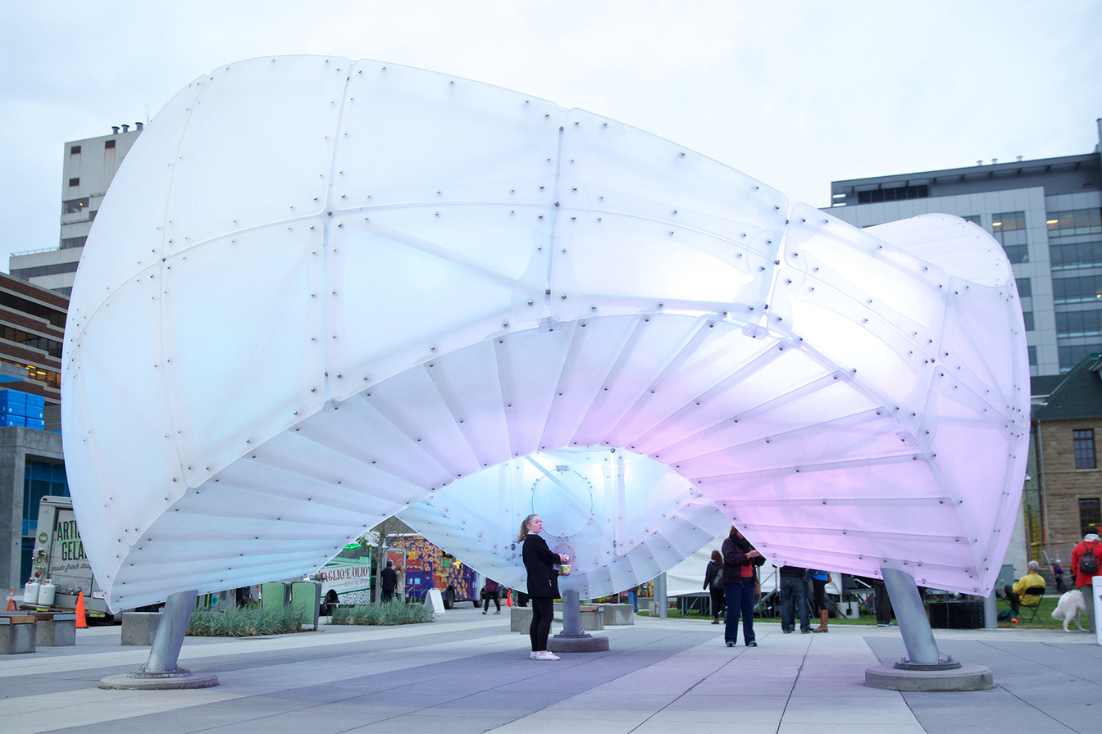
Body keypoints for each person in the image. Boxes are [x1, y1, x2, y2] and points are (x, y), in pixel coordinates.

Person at [520, 514, 568, 661]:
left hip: (535, 584)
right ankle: (542, 651)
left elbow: (539, 565)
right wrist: (560, 557)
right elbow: (547, 557)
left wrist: (556, 572)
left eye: (540, 521)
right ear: (529, 526)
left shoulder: (528, 542)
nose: (540, 524)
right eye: (536, 522)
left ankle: (535, 650)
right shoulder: (536, 540)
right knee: (546, 616)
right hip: (543, 585)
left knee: (538, 616)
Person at [721, 526, 765, 647]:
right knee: (733, 610)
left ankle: (750, 638)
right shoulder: (728, 542)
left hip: (749, 580)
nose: (742, 534)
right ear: (734, 531)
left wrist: (761, 556)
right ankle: (730, 638)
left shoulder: (749, 543)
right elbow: (730, 559)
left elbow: (758, 563)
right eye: (740, 530)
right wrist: (747, 555)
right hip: (733, 581)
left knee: (748, 610)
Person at [1071, 525, 1102, 632]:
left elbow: (1074, 564)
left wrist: (1075, 575)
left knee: (1089, 604)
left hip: (1083, 578)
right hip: (1099, 578)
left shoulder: (1079, 547)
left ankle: (1094, 628)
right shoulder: (1100, 546)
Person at [779, 564, 811, 634]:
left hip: (784, 576)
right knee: (801, 602)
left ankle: (786, 627)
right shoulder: (799, 552)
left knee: (785, 602)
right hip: (798, 576)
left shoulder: (783, 552)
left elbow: (775, 564)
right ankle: (804, 627)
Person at [703, 550, 726, 624]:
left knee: (714, 602)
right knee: (720, 601)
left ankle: (716, 619)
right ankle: (725, 612)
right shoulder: (722, 565)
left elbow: (708, 576)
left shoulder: (710, 565)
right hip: (721, 585)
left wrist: (705, 585)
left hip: (713, 585)